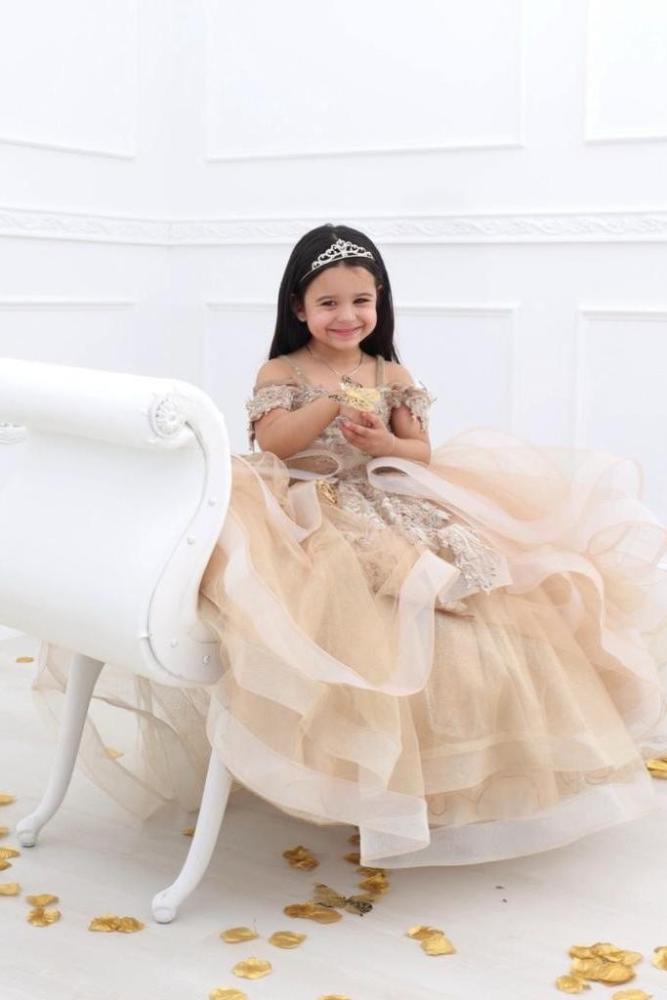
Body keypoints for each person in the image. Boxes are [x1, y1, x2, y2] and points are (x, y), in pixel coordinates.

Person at [35, 224, 667, 867]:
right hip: (305, 499)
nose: (346, 316)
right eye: (328, 303)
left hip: (383, 493)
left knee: (461, 592)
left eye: (360, 301)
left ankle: (449, 775)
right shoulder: (283, 370)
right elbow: (274, 444)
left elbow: (420, 449)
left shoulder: (391, 371)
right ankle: (341, 758)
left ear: (379, 302)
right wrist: (330, 404)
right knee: (346, 606)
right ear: (298, 308)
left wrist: (386, 444)